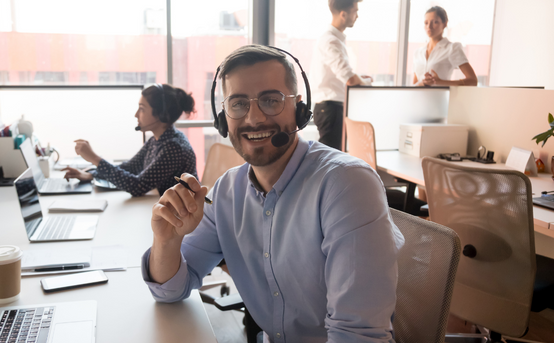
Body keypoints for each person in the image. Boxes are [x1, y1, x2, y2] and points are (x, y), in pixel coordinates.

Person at [141, 45, 404, 342]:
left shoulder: (347, 185)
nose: (254, 118)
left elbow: (357, 336)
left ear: (300, 109)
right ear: (222, 118)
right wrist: (167, 240)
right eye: (238, 104)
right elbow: (170, 290)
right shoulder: (227, 192)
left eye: (270, 100)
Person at [62, 84, 198, 197]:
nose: (136, 114)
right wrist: (91, 175)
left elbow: (137, 186)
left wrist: (94, 159)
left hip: (180, 218)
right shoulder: (157, 141)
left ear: (161, 114)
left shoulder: (173, 148)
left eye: (142, 109)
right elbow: (130, 167)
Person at [310, 0, 373, 150]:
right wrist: (367, 82)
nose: (357, 16)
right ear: (343, 14)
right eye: (355, 11)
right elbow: (350, 79)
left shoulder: (335, 39)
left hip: (331, 108)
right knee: (329, 162)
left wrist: (360, 79)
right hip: (330, 109)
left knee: (332, 158)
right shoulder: (331, 41)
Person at [413, 6, 478, 87]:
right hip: (416, 98)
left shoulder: (452, 49)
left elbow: (473, 81)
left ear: (445, 24)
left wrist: (440, 82)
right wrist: (422, 83)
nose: (429, 26)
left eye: (435, 22)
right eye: (426, 23)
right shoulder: (418, 53)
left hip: (439, 99)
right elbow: (414, 84)